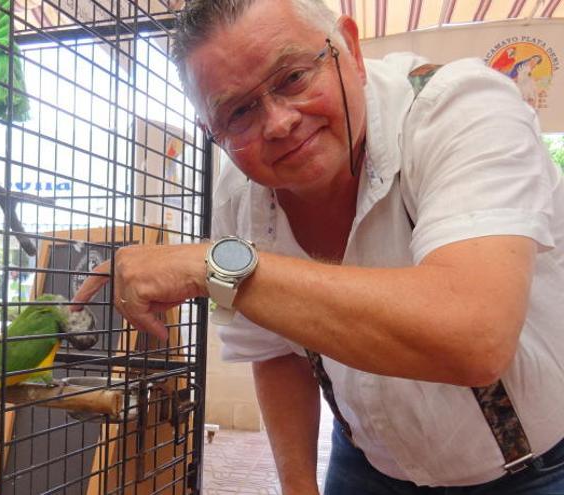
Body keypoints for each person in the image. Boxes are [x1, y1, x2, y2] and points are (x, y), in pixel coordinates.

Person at [73, 0, 564, 493]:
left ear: (349, 48)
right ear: (212, 134)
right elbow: (275, 351)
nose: (279, 123)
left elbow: (473, 336)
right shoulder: (237, 198)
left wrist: (210, 266)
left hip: (533, 470)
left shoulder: (464, 107)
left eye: (292, 78)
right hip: (368, 463)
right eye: (238, 111)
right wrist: (298, 484)